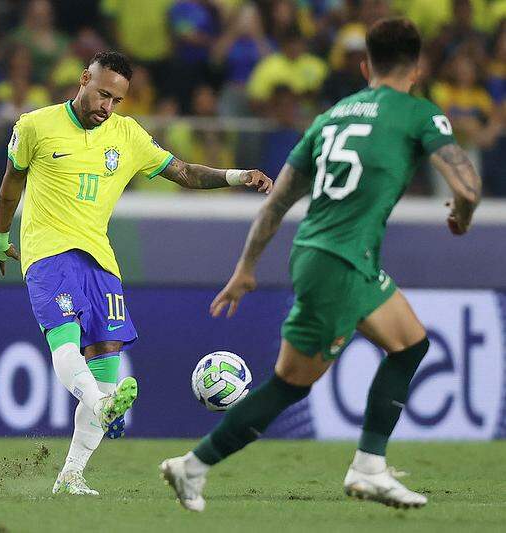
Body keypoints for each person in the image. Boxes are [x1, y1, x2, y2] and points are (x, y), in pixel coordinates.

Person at [160, 17, 481, 512]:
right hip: (340, 262)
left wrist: (246, 267)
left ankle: (369, 466)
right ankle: (193, 467)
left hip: (327, 254)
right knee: (289, 384)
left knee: (411, 344)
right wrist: (460, 214)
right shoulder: (420, 113)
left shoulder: (331, 117)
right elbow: (467, 185)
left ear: (363, 65)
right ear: (416, 69)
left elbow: (276, 203)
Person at [0, 51, 272, 496]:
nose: (107, 107)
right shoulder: (35, 126)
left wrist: (238, 176)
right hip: (48, 253)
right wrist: (0, 235)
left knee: (105, 366)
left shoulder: (128, 135)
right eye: (102, 94)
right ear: (84, 80)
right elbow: (11, 183)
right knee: (65, 344)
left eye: (116, 101)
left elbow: (184, 172)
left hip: (101, 262)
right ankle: (103, 404)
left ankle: (71, 475)